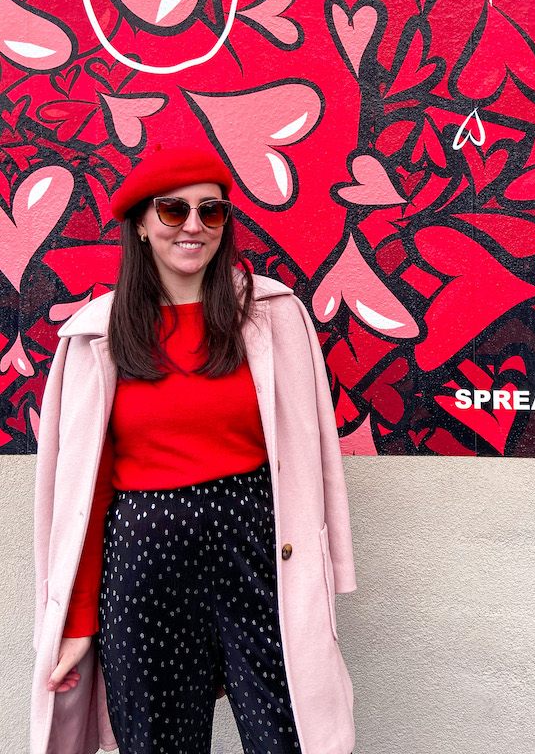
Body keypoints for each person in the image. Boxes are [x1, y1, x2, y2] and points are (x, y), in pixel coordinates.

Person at [30, 146, 356, 754]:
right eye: (173, 210)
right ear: (141, 226)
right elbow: (85, 495)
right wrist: (76, 625)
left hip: (256, 558)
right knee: (157, 743)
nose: (192, 226)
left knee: (292, 736)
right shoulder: (94, 336)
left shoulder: (273, 315)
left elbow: (311, 454)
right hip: (144, 567)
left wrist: (328, 565)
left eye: (211, 212)